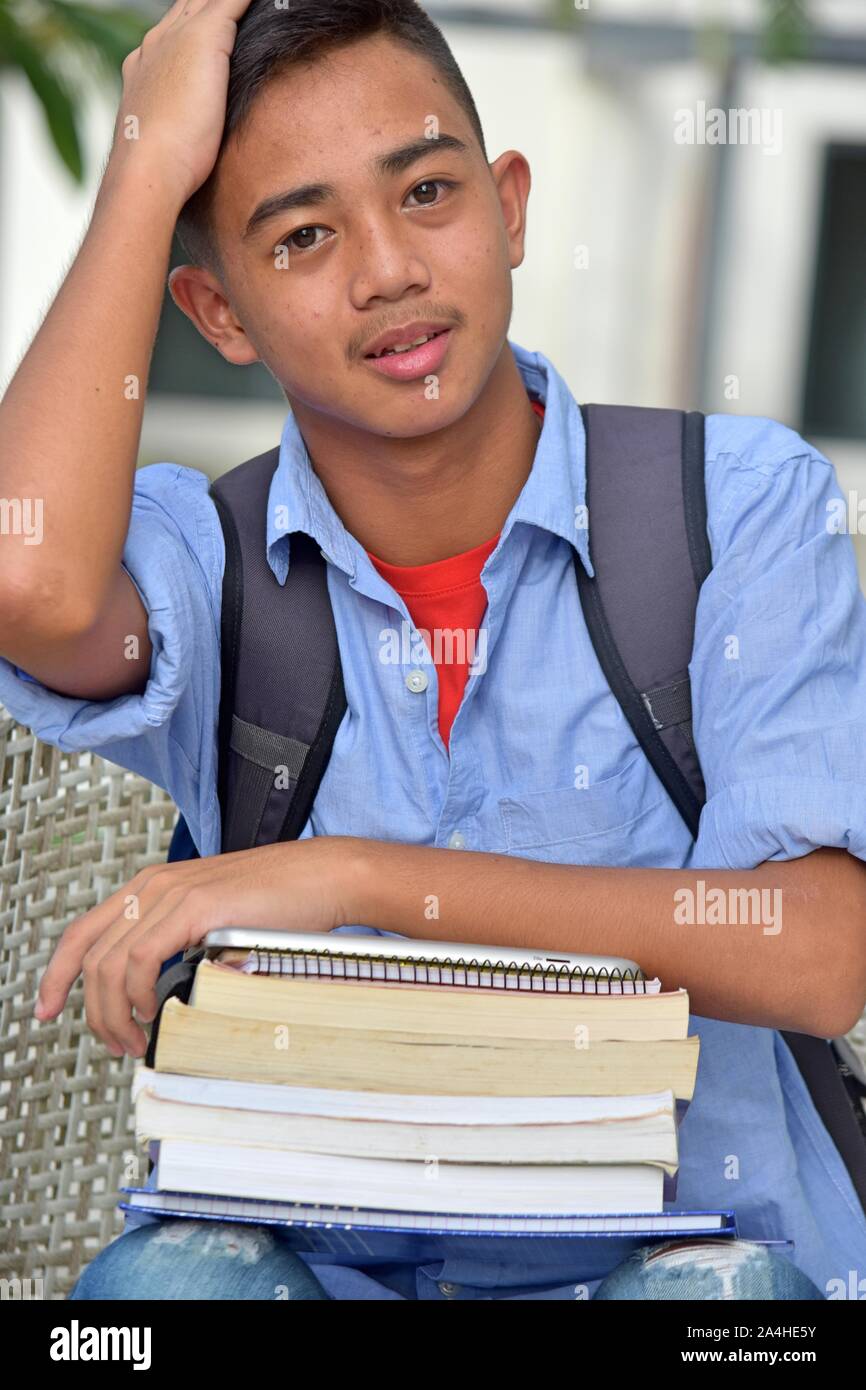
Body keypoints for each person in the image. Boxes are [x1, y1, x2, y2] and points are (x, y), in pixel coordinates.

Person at [0, 0, 863, 1302]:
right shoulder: (210, 555)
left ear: (509, 207)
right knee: (159, 1303)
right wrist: (139, 159)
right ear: (216, 313)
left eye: (426, 192)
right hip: (309, 1267)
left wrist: (347, 874)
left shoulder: (731, 506)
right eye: (300, 237)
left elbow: (814, 953)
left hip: (695, 1255)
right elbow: (26, 576)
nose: (387, 268)